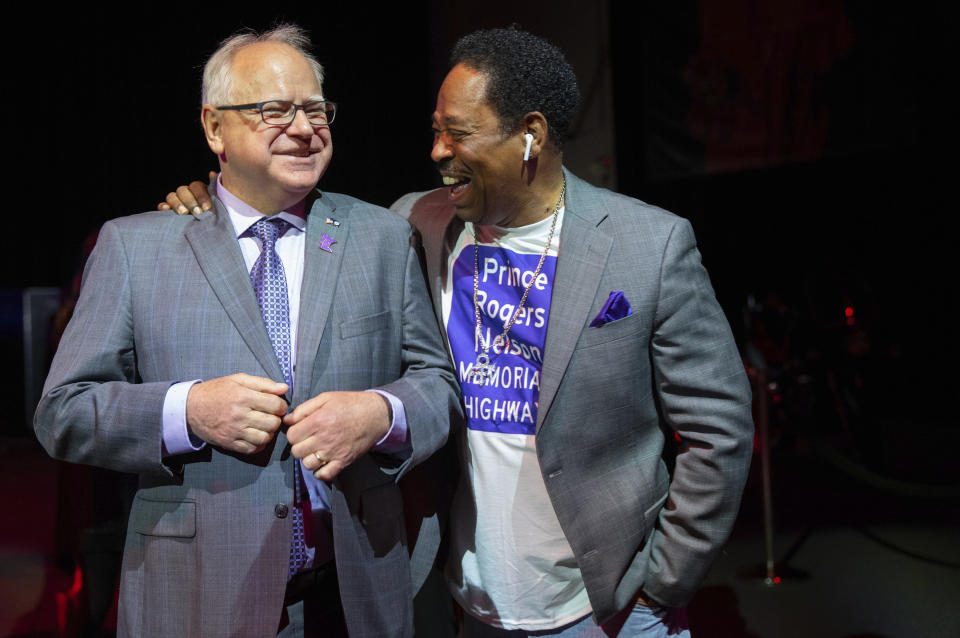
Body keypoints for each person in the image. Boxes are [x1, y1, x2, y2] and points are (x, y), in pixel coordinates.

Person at [162, 27, 754, 638]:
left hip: (610, 607)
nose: (439, 150)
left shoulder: (648, 245)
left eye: (460, 133)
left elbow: (719, 428)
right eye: (435, 130)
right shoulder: (414, 223)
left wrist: (664, 581)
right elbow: (285, 217)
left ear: (532, 133)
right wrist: (204, 202)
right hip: (467, 599)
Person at [34, 24, 461, 638]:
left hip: (354, 591)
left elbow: (438, 384)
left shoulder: (381, 238)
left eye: (316, 109)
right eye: (273, 110)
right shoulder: (135, 247)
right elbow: (62, 411)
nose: (304, 127)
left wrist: (383, 413)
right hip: (198, 596)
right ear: (214, 128)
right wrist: (188, 410)